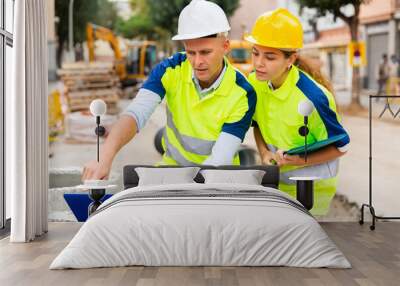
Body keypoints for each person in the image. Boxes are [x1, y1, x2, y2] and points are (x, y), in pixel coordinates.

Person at [82, 0, 256, 180]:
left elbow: (219, 160)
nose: (197, 62)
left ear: (225, 47)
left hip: (217, 178)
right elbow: (135, 114)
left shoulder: (243, 93)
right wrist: (104, 158)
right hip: (172, 173)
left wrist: (185, 187)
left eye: (205, 52)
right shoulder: (169, 70)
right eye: (191, 52)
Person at [245, 8, 350, 215]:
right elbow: (257, 124)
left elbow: (342, 146)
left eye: (270, 57)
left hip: (314, 189)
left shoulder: (314, 97)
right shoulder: (255, 83)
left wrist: (298, 160)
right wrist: (264, 152)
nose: (258, 63)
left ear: (290, 59)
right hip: (279, 184)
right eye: (255, 53)